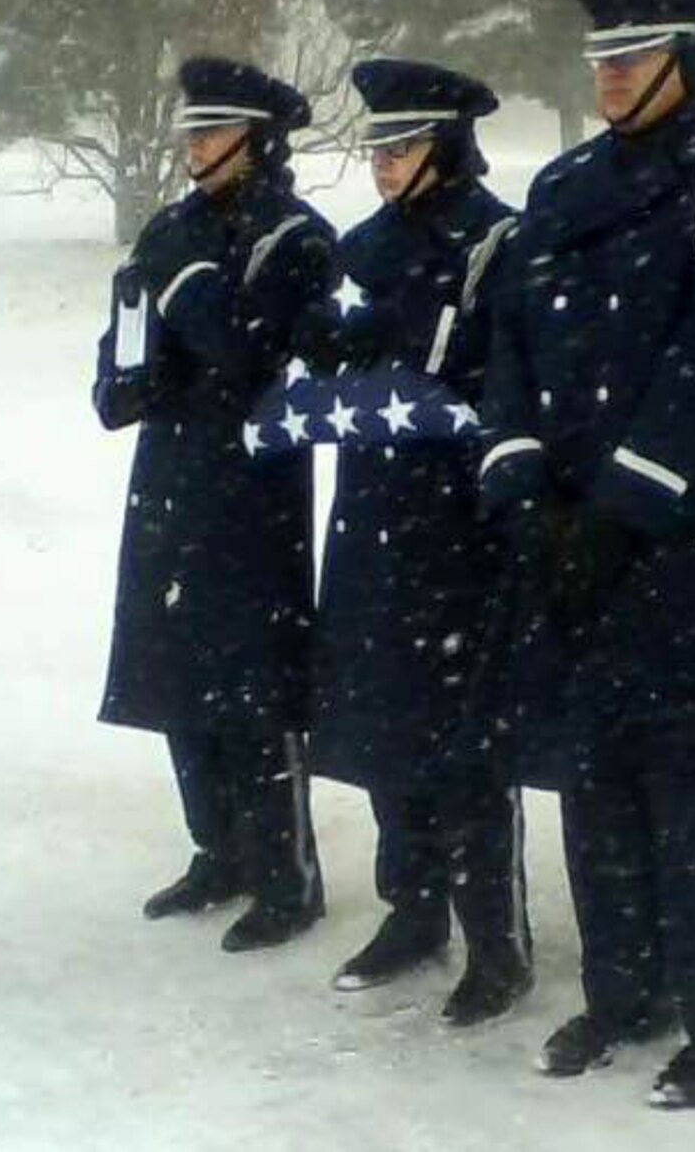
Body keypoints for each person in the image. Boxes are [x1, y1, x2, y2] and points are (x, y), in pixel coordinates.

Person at [476, 0, 695, 1108]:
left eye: (631, 57)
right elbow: (504, 340)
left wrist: (623, 500)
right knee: (595, 780)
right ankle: (621, 992)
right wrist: (519, 483)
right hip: (568, 539)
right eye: (598, 61)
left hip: (688, 536)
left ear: (687, 58)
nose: (609, 76)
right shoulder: (561, 184)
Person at [305, 57, 532, 1026]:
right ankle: (413, 908)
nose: (383, 165)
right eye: (377, 149)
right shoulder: (363, 250)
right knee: (383, 725)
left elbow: (512, 382)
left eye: (400, 147)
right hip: (371, 514)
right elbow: (338, 358)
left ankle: (496, 938)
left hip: (458, 527)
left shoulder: (498, 245)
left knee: (463, 742)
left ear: (446, 145)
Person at [92, 56, 334, 953]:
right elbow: (132, 364)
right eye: (190, 133)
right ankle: (219, 849)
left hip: (251, 488)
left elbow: (246, 352)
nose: (195, 148)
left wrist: (187, 287)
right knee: (177, 673)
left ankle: (286, 875)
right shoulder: (173, 227)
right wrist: (123, 364)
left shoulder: (295, 235)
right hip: (169, 476)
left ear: (259, 141)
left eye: (212, 133)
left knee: (254, 683)